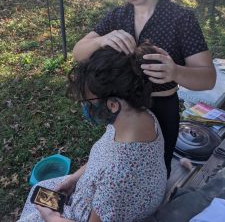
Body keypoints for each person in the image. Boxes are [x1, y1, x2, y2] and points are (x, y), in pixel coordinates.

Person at [72, 0, 216, 178]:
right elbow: (79, 51)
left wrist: (176, 72)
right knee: (121, 174)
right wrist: (100, 41)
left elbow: (208, 78)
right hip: (124, 112)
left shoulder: (180, 19)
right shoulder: (118, 17)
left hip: (162, 111)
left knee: (156, 175)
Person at [18, 42, 167, 222]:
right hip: (90, 195)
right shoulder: (140, 118)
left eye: (87, 101)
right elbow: (104, 157)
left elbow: (112, 177)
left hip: (80, 215)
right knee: (40, 189)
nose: (84, 106)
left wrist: (51, 217)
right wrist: (73, 179)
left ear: (112, 104)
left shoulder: (118, 175)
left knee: (35, 209)